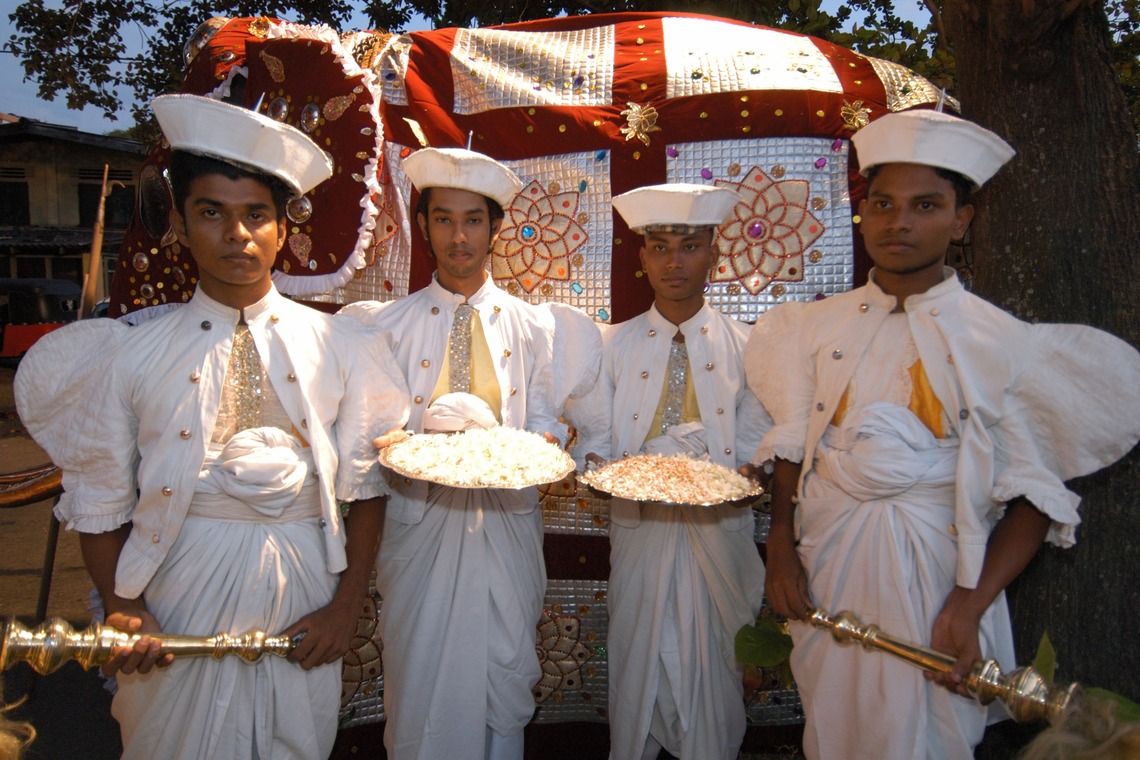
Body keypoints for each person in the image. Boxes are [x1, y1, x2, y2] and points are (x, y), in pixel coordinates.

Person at [14, 94, 410, 760]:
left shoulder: (344, 345)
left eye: (256, 214)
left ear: (282, 229)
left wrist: (346, 607)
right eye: (211, 213)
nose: (237, 234)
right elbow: (100, 501)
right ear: (179, 224)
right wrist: (124, 607)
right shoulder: (130, 352)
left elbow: (366, 491)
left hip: (303, 593)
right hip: (174, 599)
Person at [744, 108, 1140, 760]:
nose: (899, 221)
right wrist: (781, 546)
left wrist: (968, 604)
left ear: (961, 220)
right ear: (862, 213)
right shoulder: (810, 328)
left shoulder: (1000, 342)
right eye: (883, 203)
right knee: (837, 728)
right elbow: (794, 442)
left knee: (928, 736)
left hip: (941, 581)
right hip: (830, 570)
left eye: (925, 205)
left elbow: (1035, 495)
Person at [341, 147, 600, 760]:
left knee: (504, 670)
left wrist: (546, 441)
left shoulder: (538, 327)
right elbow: (365, 437)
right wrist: (388, 443)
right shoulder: (383, 327)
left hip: (507, 528)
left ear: (496, 227)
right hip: (417, 531)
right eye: (444, 219)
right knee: (419, 674)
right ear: (424, 225)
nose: (459, 237)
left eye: (473, 220)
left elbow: (545, 419)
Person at [570, 184, 769, 760]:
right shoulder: (611, 344)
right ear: (643, 257)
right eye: (660, 247)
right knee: (641, 666)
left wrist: (743, 472)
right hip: (642, 533)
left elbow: (754, 450)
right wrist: (598, 465)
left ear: (713, 254)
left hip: (720, 537)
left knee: (715, 674)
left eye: (689, 246)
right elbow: (599, 441)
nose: (673, 261)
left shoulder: (751, 347)